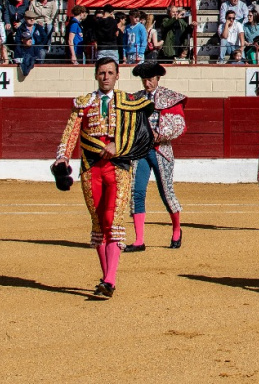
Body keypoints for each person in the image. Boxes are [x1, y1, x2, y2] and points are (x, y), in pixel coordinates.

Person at [51, 57, 154, 298]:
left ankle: (109, 280)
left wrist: (118, 145)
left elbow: (140, 134)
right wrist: (62, 158)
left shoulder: (129, 102)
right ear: (96, 75)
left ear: (117, 76)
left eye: (110, 73)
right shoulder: (84, 103)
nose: (105, 77)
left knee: (113, 220)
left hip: (118, 167)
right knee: (99, 223)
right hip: (91, 168)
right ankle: (107, 279)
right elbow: (70, 133)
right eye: (101, 73)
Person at [127, 61, 186, 252]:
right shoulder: (136, 99)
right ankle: (139, 240)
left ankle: (176, 230)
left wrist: (158, 134)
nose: (147, 83)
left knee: (166, 192)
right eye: (144, 80)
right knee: (137, 192)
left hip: (161, 150)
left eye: (150, 79)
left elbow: (179, 125)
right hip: (140, 151)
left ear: (158, 78)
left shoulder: (169, 98)